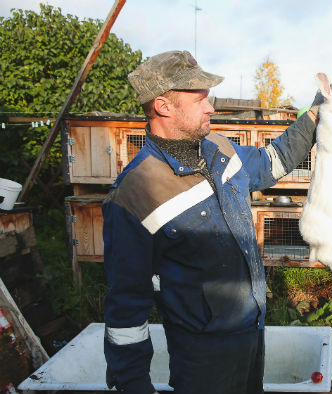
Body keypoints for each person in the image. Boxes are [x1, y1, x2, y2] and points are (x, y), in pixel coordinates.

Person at [102, 50, 320, 394]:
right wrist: (133, 385)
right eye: (199, 98)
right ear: (164, 106)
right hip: (203, 358)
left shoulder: (220, 148)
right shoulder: (135, 193)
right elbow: (127, 305)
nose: (211, 107)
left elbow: (270, 162)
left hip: (253, 332)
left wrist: (314, 115)